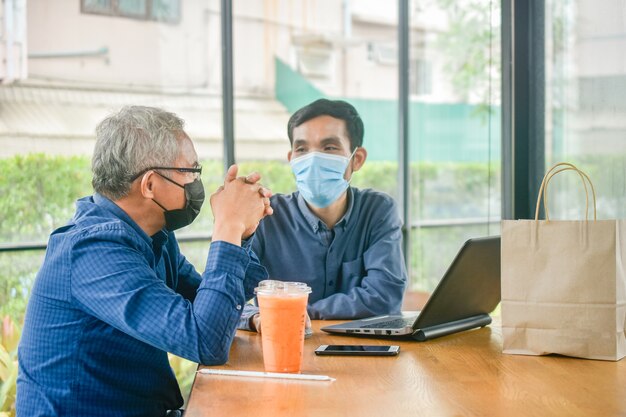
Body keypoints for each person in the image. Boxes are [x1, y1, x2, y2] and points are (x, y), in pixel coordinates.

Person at [16, 106, 272, 417]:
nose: (196, 181)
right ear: (150, 184)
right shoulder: (92, 251)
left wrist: (242, 233)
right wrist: (227, 227)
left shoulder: (154, 235)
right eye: (189, 171)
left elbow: (213, 307)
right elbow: (205, 340)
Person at [239, 98, 407, 332]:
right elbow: (225, 298)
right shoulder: (266, 216)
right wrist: (256, 317)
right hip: (284, 348)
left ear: (356, 159)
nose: (313, 158)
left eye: (329, 147)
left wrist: (298, 311)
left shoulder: (377, 211)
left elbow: (385, 297)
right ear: (292, 160)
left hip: (363, 357)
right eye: (302, 149)